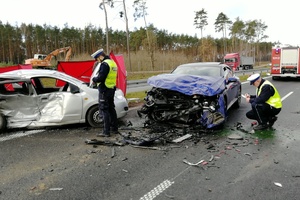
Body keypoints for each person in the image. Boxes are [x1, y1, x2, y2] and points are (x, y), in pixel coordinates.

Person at [91, 49, 119, 137]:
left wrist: (94, 79)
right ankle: (114, 128)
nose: (97, 61)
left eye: (97, 59)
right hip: (111, 88)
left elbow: (101, 77)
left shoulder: (105, 64)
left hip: (104, 89)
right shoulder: (112, 63)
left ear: (100, 56)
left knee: (104, 110)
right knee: (111, 108)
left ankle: (106, 131)